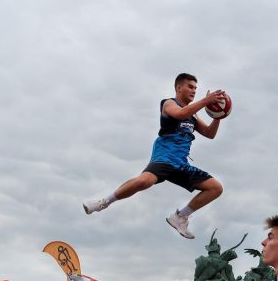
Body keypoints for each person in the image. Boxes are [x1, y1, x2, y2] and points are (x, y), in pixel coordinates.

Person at [82, 73, 227, 239]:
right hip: (164, 157)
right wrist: (205, 101)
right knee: (144, 181)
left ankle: (181, 216)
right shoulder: (169, 103)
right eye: (190, 87)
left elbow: (209, 133)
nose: (194, 90)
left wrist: (218, 115)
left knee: (216, 188)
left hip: (181, 164)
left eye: (195, 88)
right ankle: (104, 202)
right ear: (179, 88)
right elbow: (180, 114)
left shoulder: (193, 115)